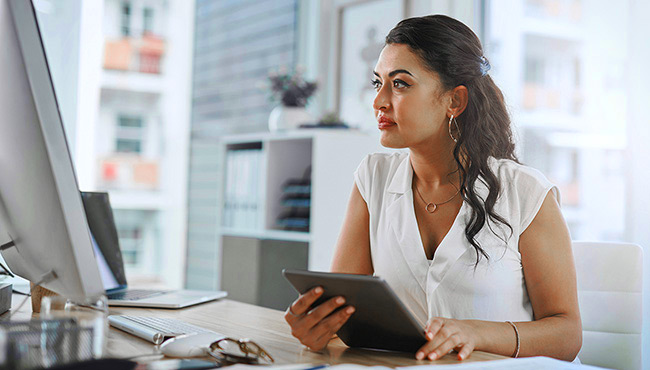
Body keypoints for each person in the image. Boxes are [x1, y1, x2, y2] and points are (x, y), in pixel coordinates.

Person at [284, 14, 582, 362]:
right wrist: (318, 328)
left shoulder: (526, 193)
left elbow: (567, 335)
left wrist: (476, 332)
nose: (379, 101)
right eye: (377, 82)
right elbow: (342, 312)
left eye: (400, 84)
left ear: (454, 101)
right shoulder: (372, 178)